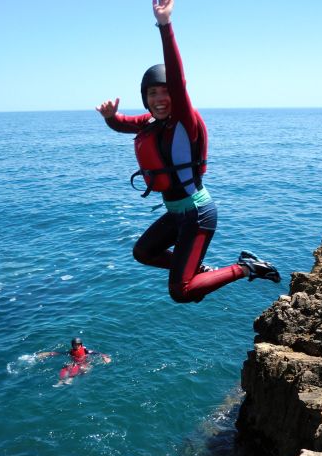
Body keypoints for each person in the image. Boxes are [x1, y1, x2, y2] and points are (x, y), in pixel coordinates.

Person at [96, 0, 280, 304]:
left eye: (165, 91)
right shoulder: (153, 122)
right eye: (152, 93)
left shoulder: (185, 119)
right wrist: (110, 118)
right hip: (176, 212)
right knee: (142, 252)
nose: (160, 98)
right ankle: (198, 268)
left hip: (197, 212)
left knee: (181, 292)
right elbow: (124, 125)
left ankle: (247, 268)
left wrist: (165, 26)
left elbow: (178, 79)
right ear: (146, 98)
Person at [37, 337, 111, 385]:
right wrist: (47, 353)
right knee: (65, 367)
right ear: (72, 345)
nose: (76, 346)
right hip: (74, 363)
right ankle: (60, 381)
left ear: (81, 345)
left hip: (84, 363)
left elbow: (97, 353)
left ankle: (70, 379)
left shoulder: (85, 350)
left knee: (82, 368)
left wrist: (105, 357)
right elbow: (59, 353)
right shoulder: (71, 352)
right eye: (75, 345)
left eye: (78, 345)